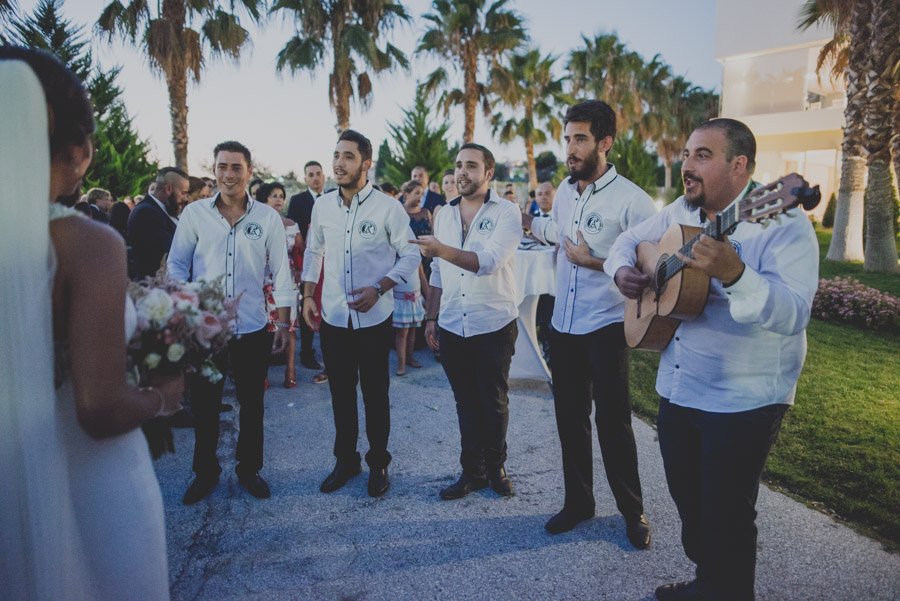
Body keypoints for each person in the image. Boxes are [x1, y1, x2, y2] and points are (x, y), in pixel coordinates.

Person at [605, 118, 819, 601]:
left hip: (746, 395)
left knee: (728, 512)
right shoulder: (680, 211)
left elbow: (794, 314)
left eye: (702, 155)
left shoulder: (780, 220)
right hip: (680, 386)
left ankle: (729, 590)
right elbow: (625, 242)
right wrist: (625, 271)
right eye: (686, 155)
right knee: (690, 503)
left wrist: (736, 273)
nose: (687, 166)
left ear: (739, 166)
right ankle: (710, 582)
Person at [1, 46, 183, 600]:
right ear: (78, 150)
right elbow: (99, 409)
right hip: (88, 481)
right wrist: (163, 398)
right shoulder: (85, 245)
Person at [522, 100, 656, 549]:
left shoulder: (635, 202)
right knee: (569, 419)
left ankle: (632, 511)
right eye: (567, 139)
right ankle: (579, 502)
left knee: (614, 422)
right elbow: (557, 234)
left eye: (579, 139)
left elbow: (647, 273)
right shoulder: (564, 190)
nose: (570, 148)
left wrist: (593, 261)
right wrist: (531, 225)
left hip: (606, 326)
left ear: (605, 142)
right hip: (563, 324)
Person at [168, 140, 295, 505]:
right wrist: (191, 300)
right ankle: (205, 473)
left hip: (253, 326)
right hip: (207, 329)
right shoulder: (195, 215)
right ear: (215, 170)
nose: (229, 174)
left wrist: (284, 325)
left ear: (249, 172)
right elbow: (177, 264)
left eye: (236, 167)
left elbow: (282, 273)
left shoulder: (267, 219)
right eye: (222, 166)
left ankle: (249, 469)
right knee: (206, 404)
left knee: (252, 402)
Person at [301, 130, 420, 498]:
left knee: (375, 393)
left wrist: (381, 286)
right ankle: (345, 460)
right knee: (340, 392)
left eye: (348, 156)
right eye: (336, 155)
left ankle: (378, 462)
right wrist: (307, 294)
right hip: (334, 316)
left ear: (366, 164)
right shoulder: (322, 206)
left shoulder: (388, 207)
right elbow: (313, 251)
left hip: (374, 317)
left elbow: (411, 254)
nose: (339, 163)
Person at [413, 143, 522, 500]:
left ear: (488, 173)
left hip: (492, 323)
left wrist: (441, 249)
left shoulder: (507, 212)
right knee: (465, 402)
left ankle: (496, 468)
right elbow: (438, 271)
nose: (462, 172)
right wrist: (432, 316)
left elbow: (488, 261)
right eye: (459, 165)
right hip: (451, 323)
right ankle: (471, 472)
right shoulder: (443, 213)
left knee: (493, 401)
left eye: (471, 166)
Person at [258, 182, 302, 388]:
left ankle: (290, 371)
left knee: (289, 327)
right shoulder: (258, 223)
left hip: (289, 282)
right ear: (264, 199)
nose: (278, 199)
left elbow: (300, 252)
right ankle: (263, 373)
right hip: (265, 281)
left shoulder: (292, 224)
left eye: (281, 195)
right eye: (273, 195)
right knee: (267, 328)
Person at [287, 160, 327, 372]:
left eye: (318, 173)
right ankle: (307, 352)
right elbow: (294, 231)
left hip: (330, 260)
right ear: (305, 179)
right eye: (310, 174)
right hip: (306, 258)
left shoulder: (332, 198)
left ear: (324, 176)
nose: (315, 177)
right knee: (307, 303)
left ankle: (330, 348)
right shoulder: (298, 200)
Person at [127, 167, 189, 280]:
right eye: (183, 193)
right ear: (168, 189)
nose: (186, 199)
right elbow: (167, 255)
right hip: (154, 288)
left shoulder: (162, 211)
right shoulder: (146, 213)